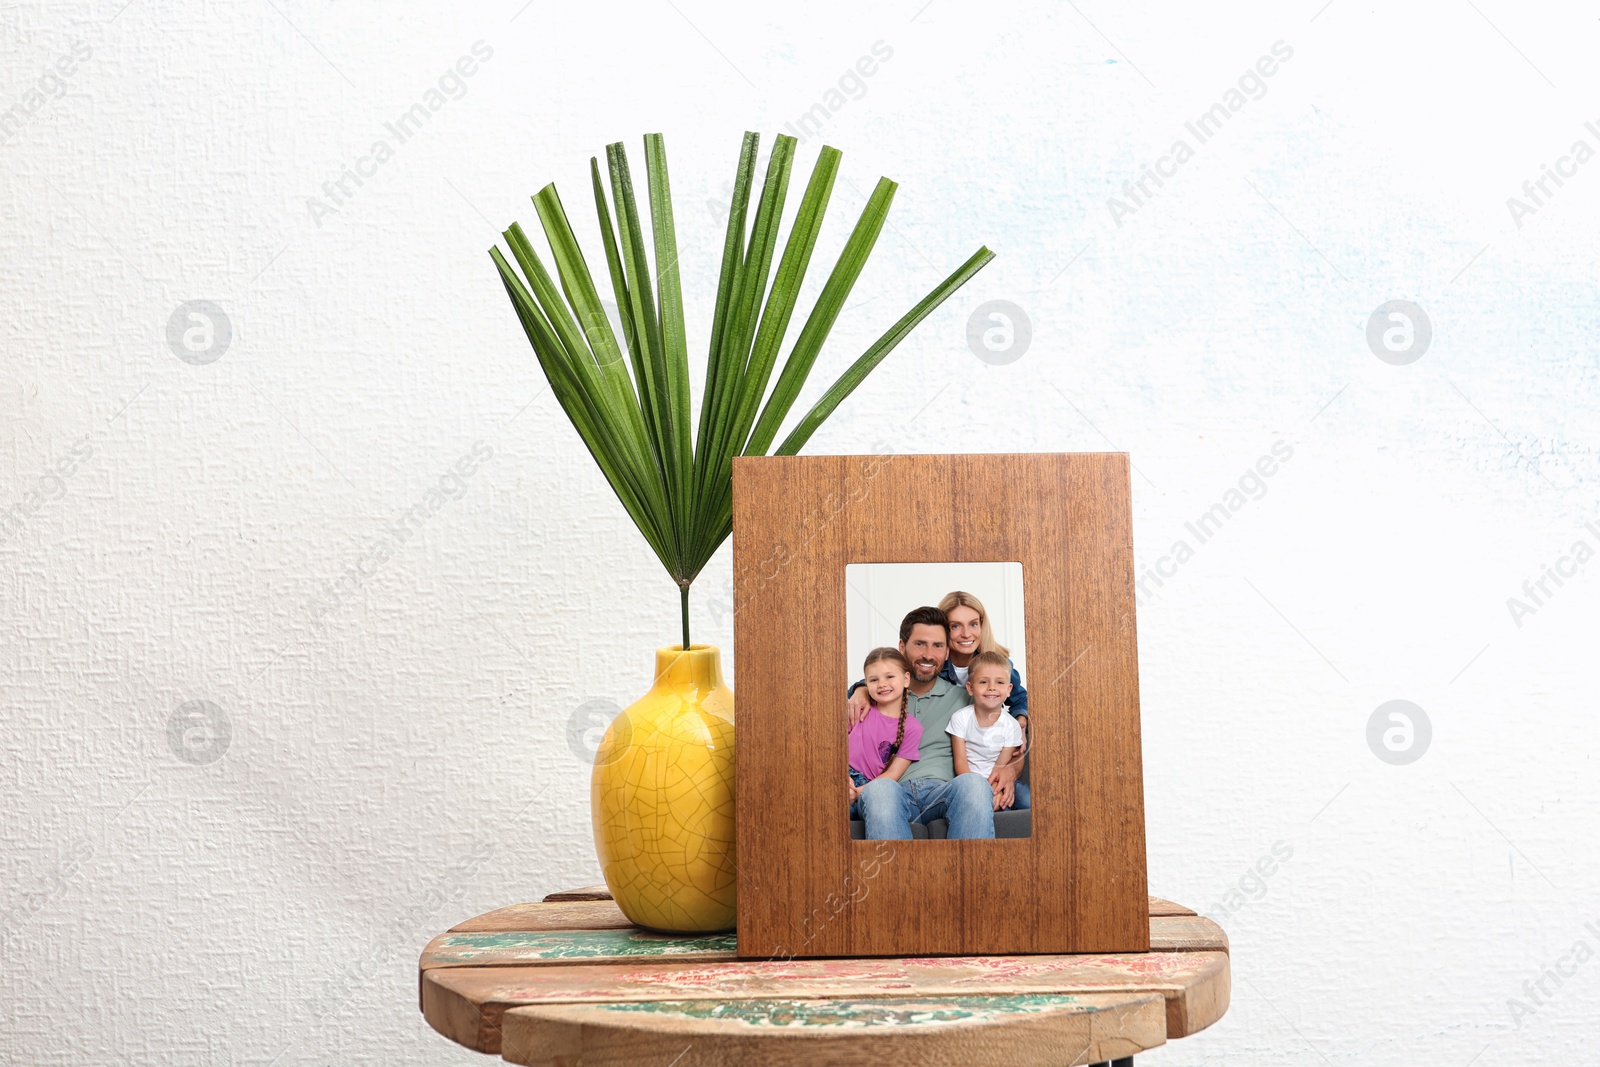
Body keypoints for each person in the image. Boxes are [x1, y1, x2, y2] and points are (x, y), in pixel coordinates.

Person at [849, 607, 996, 839]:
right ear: (901, 647)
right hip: (892, 792)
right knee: (881, 790)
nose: (928, 654)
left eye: (937, 646)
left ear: (947, 652)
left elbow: (1003, 713)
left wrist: (1010, 767)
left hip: (943, 791)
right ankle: (893, 876)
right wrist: (859, 689)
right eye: (919, 644)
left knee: (974, 785)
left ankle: (971, 874)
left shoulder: (965, 699)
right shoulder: (878, 696)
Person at [846, 648, 922, 819]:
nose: (882, 684)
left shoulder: (913, 728)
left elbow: (892, 774)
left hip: (869, 787)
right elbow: (833, 748)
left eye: (889, 677)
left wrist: (857, 793)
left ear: (906, 679)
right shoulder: (859, 709)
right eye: (874, 679)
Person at [947, 651, 1027, 811]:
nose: (992, 688)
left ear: (1009, 689)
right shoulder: (960, 719)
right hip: (971, 782)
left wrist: (996, 791)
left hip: (1000, 779)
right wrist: (979, 792)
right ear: (970, 687)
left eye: (999, 682)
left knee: (1030, 802)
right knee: (999, 809)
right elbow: (961, 764)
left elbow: (1000, 766)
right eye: (983, 682)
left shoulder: (1012, 726)